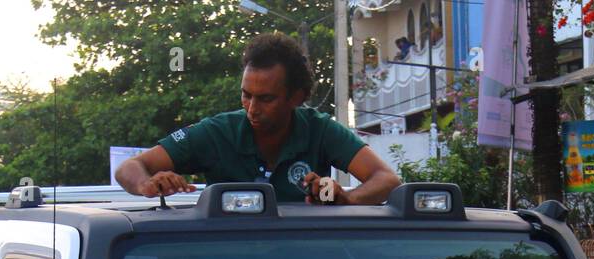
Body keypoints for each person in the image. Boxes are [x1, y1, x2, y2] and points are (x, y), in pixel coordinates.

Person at [115, 33, 401, 206]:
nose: (252, 108)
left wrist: (346, 199)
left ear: (297, 97)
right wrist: (147, 185)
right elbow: (130, 167)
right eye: (246, 95)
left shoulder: (321, 129)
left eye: (266, 99)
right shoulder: (215, 132)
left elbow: (387, 179)